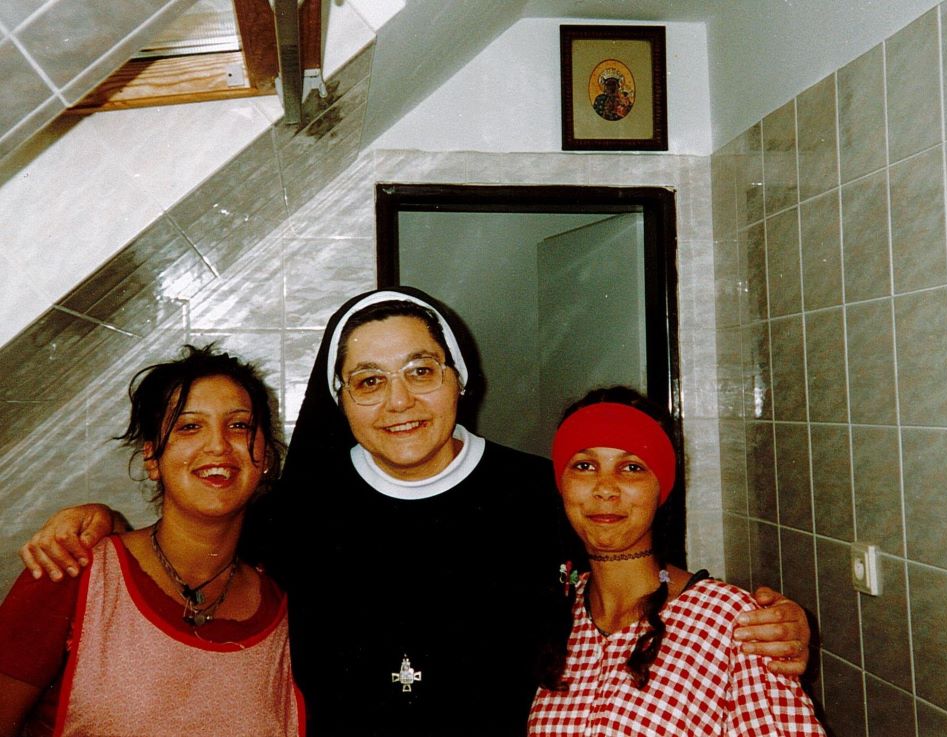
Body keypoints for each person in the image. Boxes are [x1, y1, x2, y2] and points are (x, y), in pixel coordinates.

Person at [18, 287, 812, 736]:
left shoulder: (536, 490)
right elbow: (189, 543)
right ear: (341, 400)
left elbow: (626, 567)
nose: (398, 401)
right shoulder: (294, 510)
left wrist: (757, 620)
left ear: (458, 377)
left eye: (420, 370)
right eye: (368, 380)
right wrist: (98, 518)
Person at [0, 345, 303, 737]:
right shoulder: (72, 569)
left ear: (264, 456)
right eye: (189, 426)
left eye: (240, 426)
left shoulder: (285, 610)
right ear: (151, 459)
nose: (218, 445)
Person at [529, 387, 824, 736]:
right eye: (585, 465)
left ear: (661, 488)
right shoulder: (554, 615)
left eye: (631, 467)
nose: (605, 488)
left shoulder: (729, 622)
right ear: (562, 484)